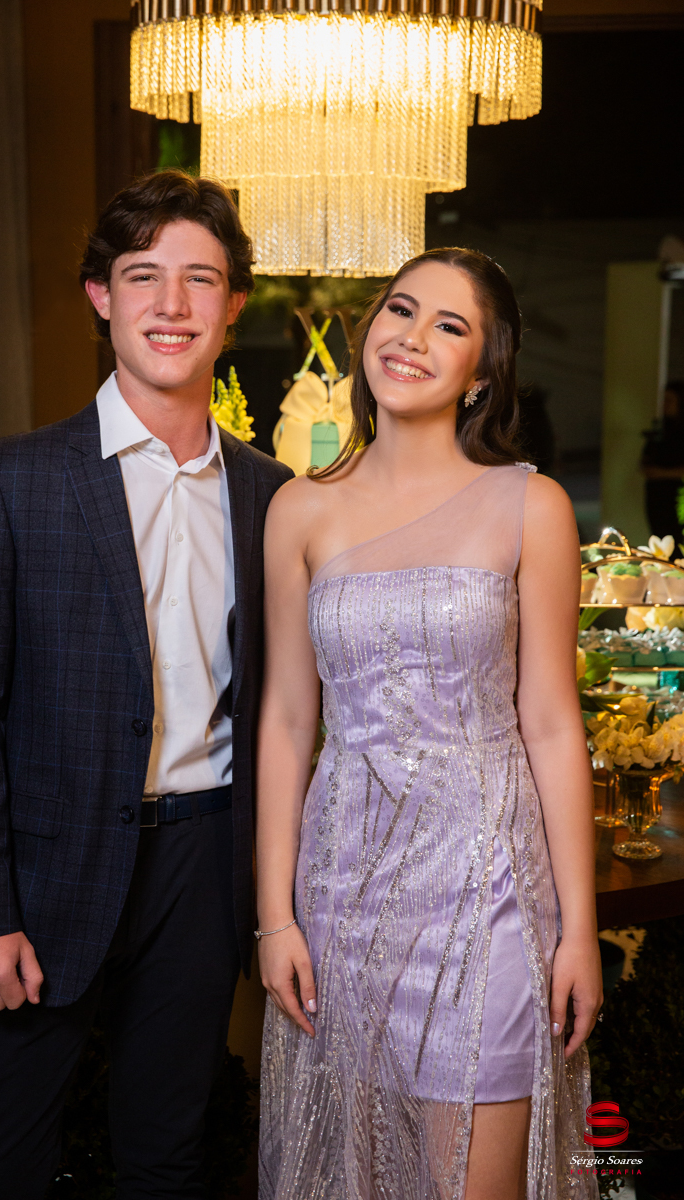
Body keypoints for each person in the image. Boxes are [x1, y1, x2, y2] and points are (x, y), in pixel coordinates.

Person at [0, 169, 291, 1199]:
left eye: (199, 279)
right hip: (40, 877)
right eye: (142, 276)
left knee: (166, 1161)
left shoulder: (272, 497)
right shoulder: (11, 478)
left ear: (232, 304)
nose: (171, 305)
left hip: (204, 870)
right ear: (101, 295)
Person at [255, 248, 602, 1200]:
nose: (411, 337)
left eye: (449, 326)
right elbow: (286, 721)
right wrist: (275, 916)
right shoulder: (299, 509)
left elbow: (552, 724)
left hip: (486, 885)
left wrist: (579, 930)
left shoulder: (532, 505)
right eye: (400, 310)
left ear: (482, 372)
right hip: (344, 887)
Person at [641, 380, 684, 543]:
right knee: (660, 534)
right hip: (656, 495)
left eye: (669, 400)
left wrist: (662, 473)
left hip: (677, 495)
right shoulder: (660, 430)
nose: (665, 405)